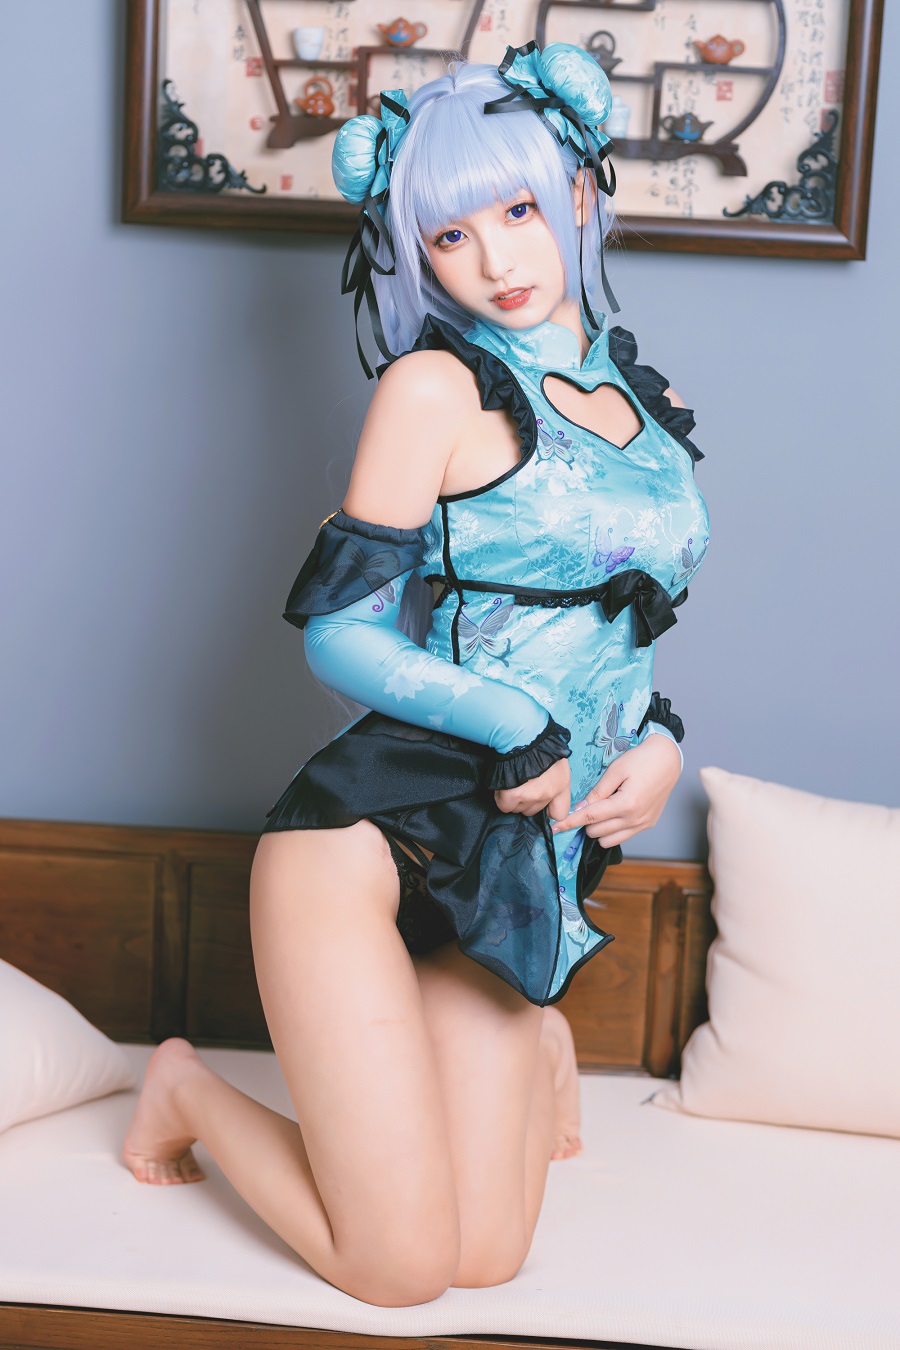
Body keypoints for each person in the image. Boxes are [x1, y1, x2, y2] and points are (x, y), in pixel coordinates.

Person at [122, 40, 711, 1308]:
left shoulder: (635, 396)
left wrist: (660, 744)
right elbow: (338, 634)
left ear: (581, 195)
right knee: (397, 1272)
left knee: (488, 1259)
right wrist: (516, 722)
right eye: (451, 235)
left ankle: (539, 1042)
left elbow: (623, 627)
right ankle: (184, 1088)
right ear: (416, 253)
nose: (496, 260)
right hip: (370, 841)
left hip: (520, 855)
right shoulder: (435, 387)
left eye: (519, 211)